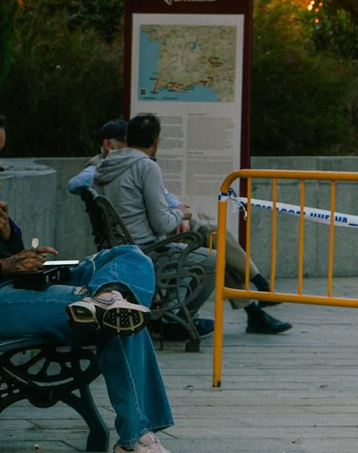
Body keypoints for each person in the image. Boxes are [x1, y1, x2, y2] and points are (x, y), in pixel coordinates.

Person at [0, 101, 192, 453]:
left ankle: (108, 294)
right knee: (119, 320)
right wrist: (3, 264)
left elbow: (5, 251)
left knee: (129, 256)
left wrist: (7, 234)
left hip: (15, 288)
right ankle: (135, 442)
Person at [94, 112, 293, 335]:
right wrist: (181, 214)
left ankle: (255, 307)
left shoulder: (106, 165)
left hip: (120, 245)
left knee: (213, 239)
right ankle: (181, 318)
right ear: (156, 140)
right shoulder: (146, 166)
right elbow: (162, 224)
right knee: (213, 259)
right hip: (147, 248)